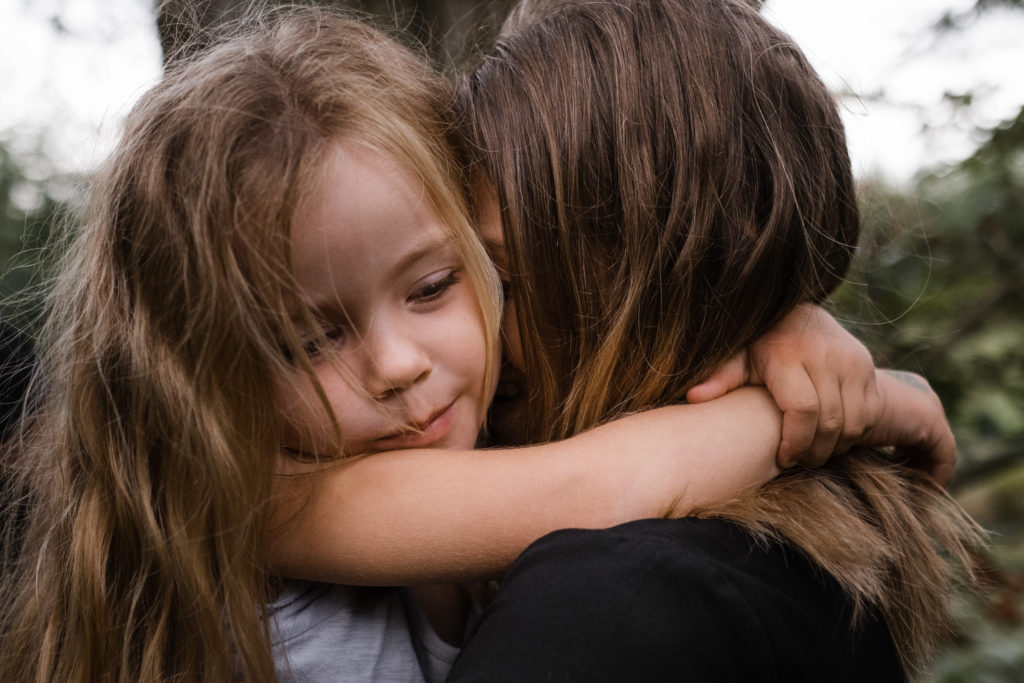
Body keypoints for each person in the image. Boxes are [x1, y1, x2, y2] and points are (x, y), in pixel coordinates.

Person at [0, 8, 917, 683]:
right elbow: (601, 486)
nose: (398, 364)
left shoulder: (481, 468)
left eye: (438, 285)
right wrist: (852, 401)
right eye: (307, 339)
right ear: (201, 372)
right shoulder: (256, 501)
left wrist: (785, 329)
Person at [441, 0, 983, 679]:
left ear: (674, 280)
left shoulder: (608, 605)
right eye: (444, 283)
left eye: (508, 281)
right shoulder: (796, 562)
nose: (467, 335)